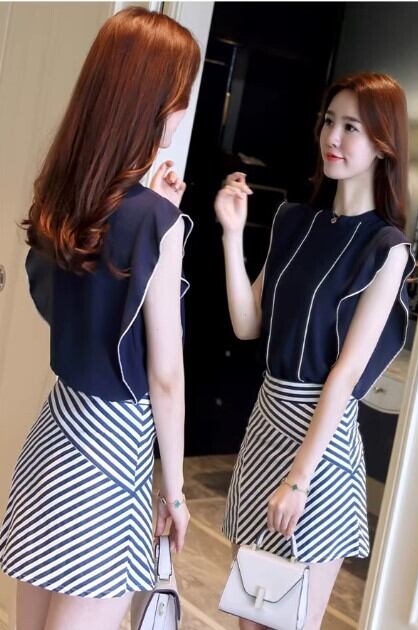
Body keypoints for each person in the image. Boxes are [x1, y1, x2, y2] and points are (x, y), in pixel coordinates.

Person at [0, 8, 200, 630]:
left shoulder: (63, 199)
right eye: (181, 95)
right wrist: (175, 492)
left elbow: (59, 302)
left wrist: (157, 216)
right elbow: (165, 376)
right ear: (155, 103)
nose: (182, 112)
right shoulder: (154, 222)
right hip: (111, 458)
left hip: (56, 436)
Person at [215, 72, 415, 629]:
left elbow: (345, 376)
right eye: (330, 121)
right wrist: (232, 235)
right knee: (249, 617)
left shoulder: (386, 249)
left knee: (287, 622)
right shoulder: (293, 222)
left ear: (383, 144)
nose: (333, 136)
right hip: (267, 427)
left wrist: (299, 479)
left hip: (320, 452)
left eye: (351, 127)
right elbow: (247, 324)